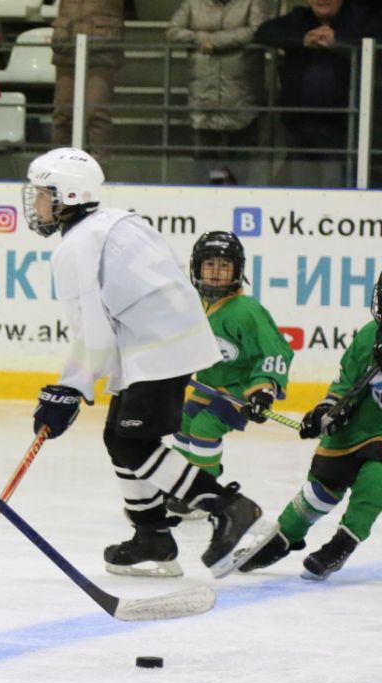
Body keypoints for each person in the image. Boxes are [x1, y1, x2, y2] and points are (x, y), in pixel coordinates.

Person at [22, 147, 274, 580]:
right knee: (117, 436)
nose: (36, 204)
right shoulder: (120, 219)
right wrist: (78, 384)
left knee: (133, 444)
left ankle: (230, 509)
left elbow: (93, 331)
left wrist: (70, 388)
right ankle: (151, 536)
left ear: (66, 195)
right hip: (163, 340)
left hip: (156, 347)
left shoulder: (74, 249)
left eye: (43, 194)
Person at [237, 273, 382, 581]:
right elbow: (346, 383)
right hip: (357, 427)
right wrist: (329, 409)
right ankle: (286, 535)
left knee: (375, 481)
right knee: (323, 485)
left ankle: (344, 541)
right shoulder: (370, 335)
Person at [171, 231, 292, 513]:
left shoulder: (246, 311)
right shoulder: (195, 303)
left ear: (237, 271)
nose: (215, 272)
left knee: (205, 426)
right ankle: (181, 482)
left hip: (241, 389)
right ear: (196, 267)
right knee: (182, 422)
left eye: (224, 266)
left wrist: (263, 391)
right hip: (210, 384)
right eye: (209, 264)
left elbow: (275, 351)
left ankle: (204, 492)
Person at [254, 0, 382, 187]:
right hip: (300, 125)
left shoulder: (359, 17)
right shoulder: (300, 18)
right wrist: (303, 39)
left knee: (336, 187)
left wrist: (338, 39)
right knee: (300, 187)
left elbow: (377, 33)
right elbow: (264, 32)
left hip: (344, 126)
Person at [166, 0, 271, 185]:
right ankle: (208, 205)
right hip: (203, 97)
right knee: (205, 167)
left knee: (239, 168)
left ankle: (234, 203)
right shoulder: (193, 3)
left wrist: (216, 42)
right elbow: (173, 31)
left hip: (242, 99)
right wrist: (201, 39)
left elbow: (259, 30)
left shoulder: (253, 2)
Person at [49, 0, 123, 161]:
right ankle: (58, 168)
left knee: (97, 114)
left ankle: (99, 172)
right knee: (63, 114)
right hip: (66, 47)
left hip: (103, 50)